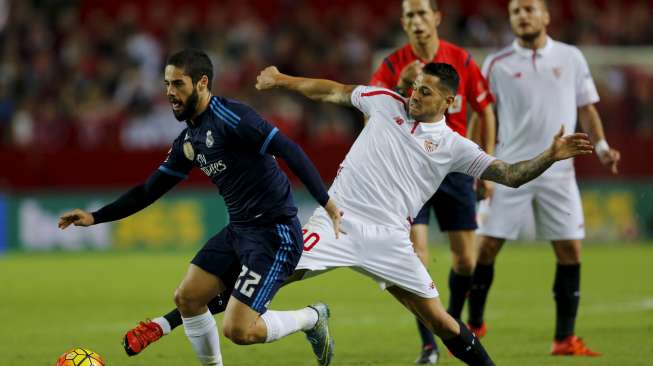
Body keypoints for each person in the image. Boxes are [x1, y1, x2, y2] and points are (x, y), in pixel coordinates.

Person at [116, 61, 592, 366]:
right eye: (414, 86)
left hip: (390, 238)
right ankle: (166, 322)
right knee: (261, 278)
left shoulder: (455, 146)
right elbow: (333, 91)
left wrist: (550, 155)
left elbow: (508, 174)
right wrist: (283, 81)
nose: (413, 93)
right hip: (338, 221)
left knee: (442, 321)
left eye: (425, 91)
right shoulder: (385, 103)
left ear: (450, 101)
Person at [58, 49, 343, 366]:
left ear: (202, 82)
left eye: (177, 84)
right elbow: (149, 190)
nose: (169, 93)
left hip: (274, 234)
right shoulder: (188, 140)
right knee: (188, 297)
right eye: (166, 84)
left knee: (238, 330)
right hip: (239, 231)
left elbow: (289, 149)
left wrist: (327, 202)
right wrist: (96, 216)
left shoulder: (233, 118)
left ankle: (311, 318)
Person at [466, 0, 621, 357]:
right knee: (486, 247)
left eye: (529, 9)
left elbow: (587, 108)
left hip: (559, 173)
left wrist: (601, 147)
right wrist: (476, 162)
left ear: (546, 16)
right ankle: (473, 325)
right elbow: (482, 113)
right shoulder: (496, 63)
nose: (523, 15)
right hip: (508, 170)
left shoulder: (571, 57)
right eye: (516, 11)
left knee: (570, 250)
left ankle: (564, 338)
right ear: (511, 20)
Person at [369, 1, 496, 362]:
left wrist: (484, 167)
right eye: (410, 15)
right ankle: (429, 344)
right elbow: (374, 112)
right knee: (417, 258)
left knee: (466, 261)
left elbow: (485, 109)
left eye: (423, 13)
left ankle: (451, 322)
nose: (417, 21)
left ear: (437, 18)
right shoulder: (393, 64)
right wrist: (400, 84)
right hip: (410, 171)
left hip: (453, 170)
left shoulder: (462, 61)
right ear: (403, 23)